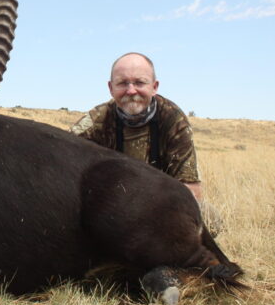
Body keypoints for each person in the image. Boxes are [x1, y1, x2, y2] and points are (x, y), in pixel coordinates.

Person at [70, 52, 208, 207]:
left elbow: (191, 190)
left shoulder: (174, 120)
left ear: (154, 87)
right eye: (122, 83)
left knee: (209, 217)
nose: (131, 91)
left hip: (161, 207)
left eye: (139, 83)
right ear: (110, 88)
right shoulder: (94, 123)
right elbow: (65, 169)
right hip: (108, 207)